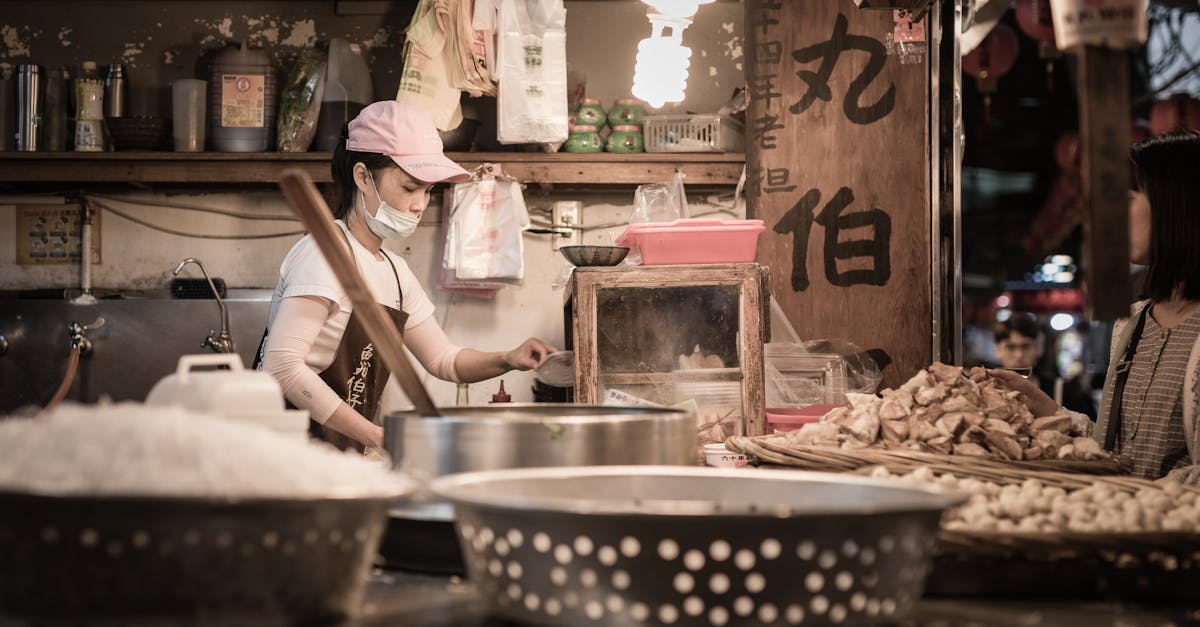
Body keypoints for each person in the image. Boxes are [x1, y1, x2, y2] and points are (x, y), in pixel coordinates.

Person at [256, 100, 558, 451]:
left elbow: (444, 360)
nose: (420, 203)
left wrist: (508, 358)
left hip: (335, 458)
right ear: (362, 177)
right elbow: (283, 367)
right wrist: (378, 437)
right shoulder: (323, 253)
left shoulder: (396, 274)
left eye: (428, 191)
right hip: (282, 453)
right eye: (410, 187)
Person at [974, 130, 1200, 483]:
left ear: (1177, 205)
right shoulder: (1135, 324)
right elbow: (1115, 455)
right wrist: (1040, 405)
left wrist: (1140, 497)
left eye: (1126, 199)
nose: (1111, 217)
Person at [991, 314, 1095, 419]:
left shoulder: (1065, 391)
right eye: (1010, 347)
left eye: (1026, 346)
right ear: (997, 350)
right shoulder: (987, 391)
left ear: (1038, 348)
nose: (1019, 355)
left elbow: (1091, 429)